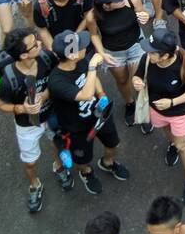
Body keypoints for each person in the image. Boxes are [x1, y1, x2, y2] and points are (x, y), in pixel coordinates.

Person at [46, 30, 129, 195]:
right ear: (71, 55)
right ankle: (86, 172)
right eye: (81, 46)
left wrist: (102, 94)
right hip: (76, 127)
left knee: (113, 144)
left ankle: (107, 162)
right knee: (82, 158)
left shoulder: (81, 61)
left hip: (99, 115)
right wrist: (92, 67)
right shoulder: (56, 81)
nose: (86, 47)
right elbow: (85, 94)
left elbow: (93, 80)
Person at [132, 29, 185, 203]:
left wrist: (172, 102)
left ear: (165, 56)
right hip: (157, 110)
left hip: (179, 113)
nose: (148, 53)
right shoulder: (147, 59)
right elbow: (138, 76)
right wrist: (137, 82)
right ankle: (172, 144)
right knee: (168, 133)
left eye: (153, 52)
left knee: (183, 145)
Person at [0, 26, 55, 215]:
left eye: (37, 39)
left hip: (52, 115)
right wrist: (22, 108)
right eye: (34, 44)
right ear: (22, 56)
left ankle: (59, 166)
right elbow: (1, 105)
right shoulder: (8, 80)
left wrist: (43, 97)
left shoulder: (46, 58)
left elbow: (57, 81)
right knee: (29, 162)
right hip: (26, 125)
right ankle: (34, 184)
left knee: (57, 143)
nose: (39, 43)